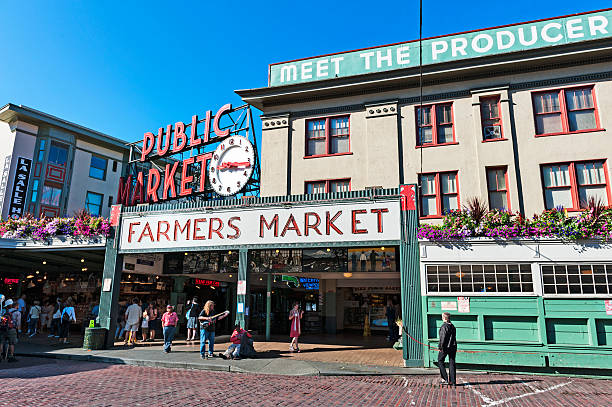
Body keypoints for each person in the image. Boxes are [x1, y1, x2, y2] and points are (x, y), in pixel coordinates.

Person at [438, 312, 457, 386]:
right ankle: (453, 381)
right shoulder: (452, 326)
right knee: (452, 362)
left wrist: (440, 347)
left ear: (444, 318)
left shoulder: (444, 326)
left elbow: (443, 338)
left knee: (440, 360)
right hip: (453, 346)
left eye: (442, 317)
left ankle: (445, 379)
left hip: (446, 347)